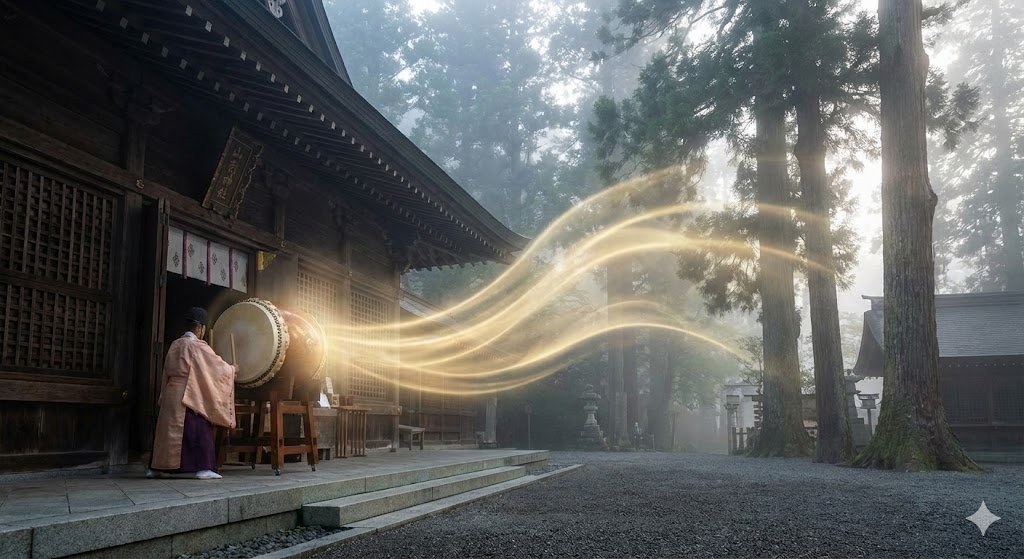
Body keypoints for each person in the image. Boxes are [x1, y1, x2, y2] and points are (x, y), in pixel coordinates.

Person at [148, 307, 237, 480]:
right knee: (198, 428)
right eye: (203, 330)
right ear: (200, 328)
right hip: (188, 393)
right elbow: (216, 367)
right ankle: (203, 467)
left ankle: (157, 467)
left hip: (171, 392)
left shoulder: (175, 344)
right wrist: (232, 369)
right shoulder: (196, 346)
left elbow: (166, 371)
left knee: (166, 432)